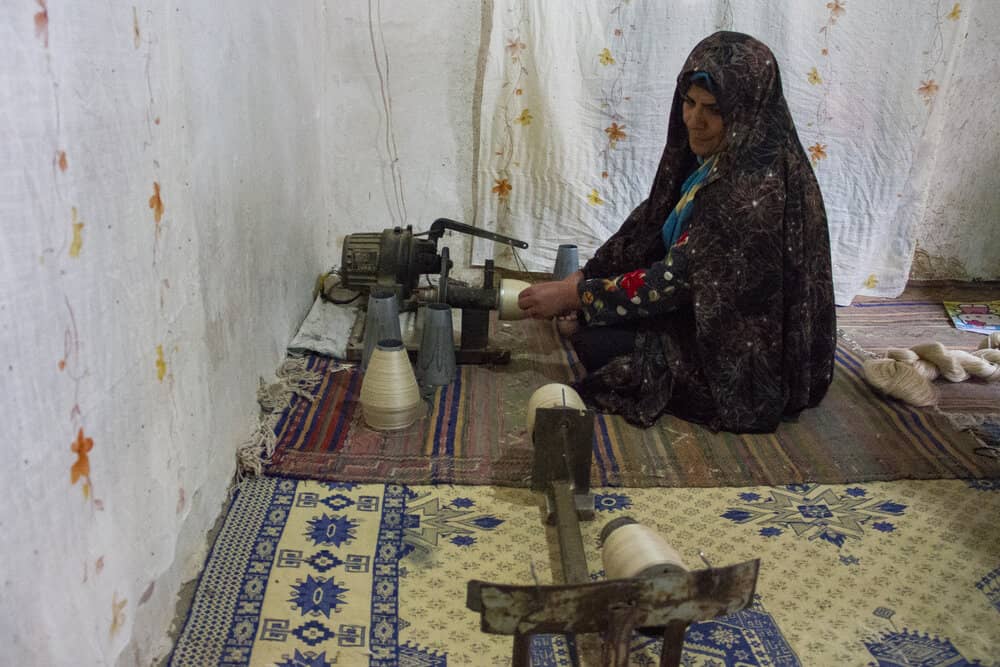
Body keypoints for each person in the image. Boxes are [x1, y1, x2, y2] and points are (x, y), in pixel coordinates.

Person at [517, 31, 836, 433]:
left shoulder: (754, 189)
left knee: (598, 346)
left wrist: (577, 296)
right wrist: (587, 278)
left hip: (745, 342)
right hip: (704, 300)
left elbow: (676, 280)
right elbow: (649, 222)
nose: (694, 121)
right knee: (596, 321)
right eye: (689, 103)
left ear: (747, 110)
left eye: (713, 110)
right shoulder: (718, 157)